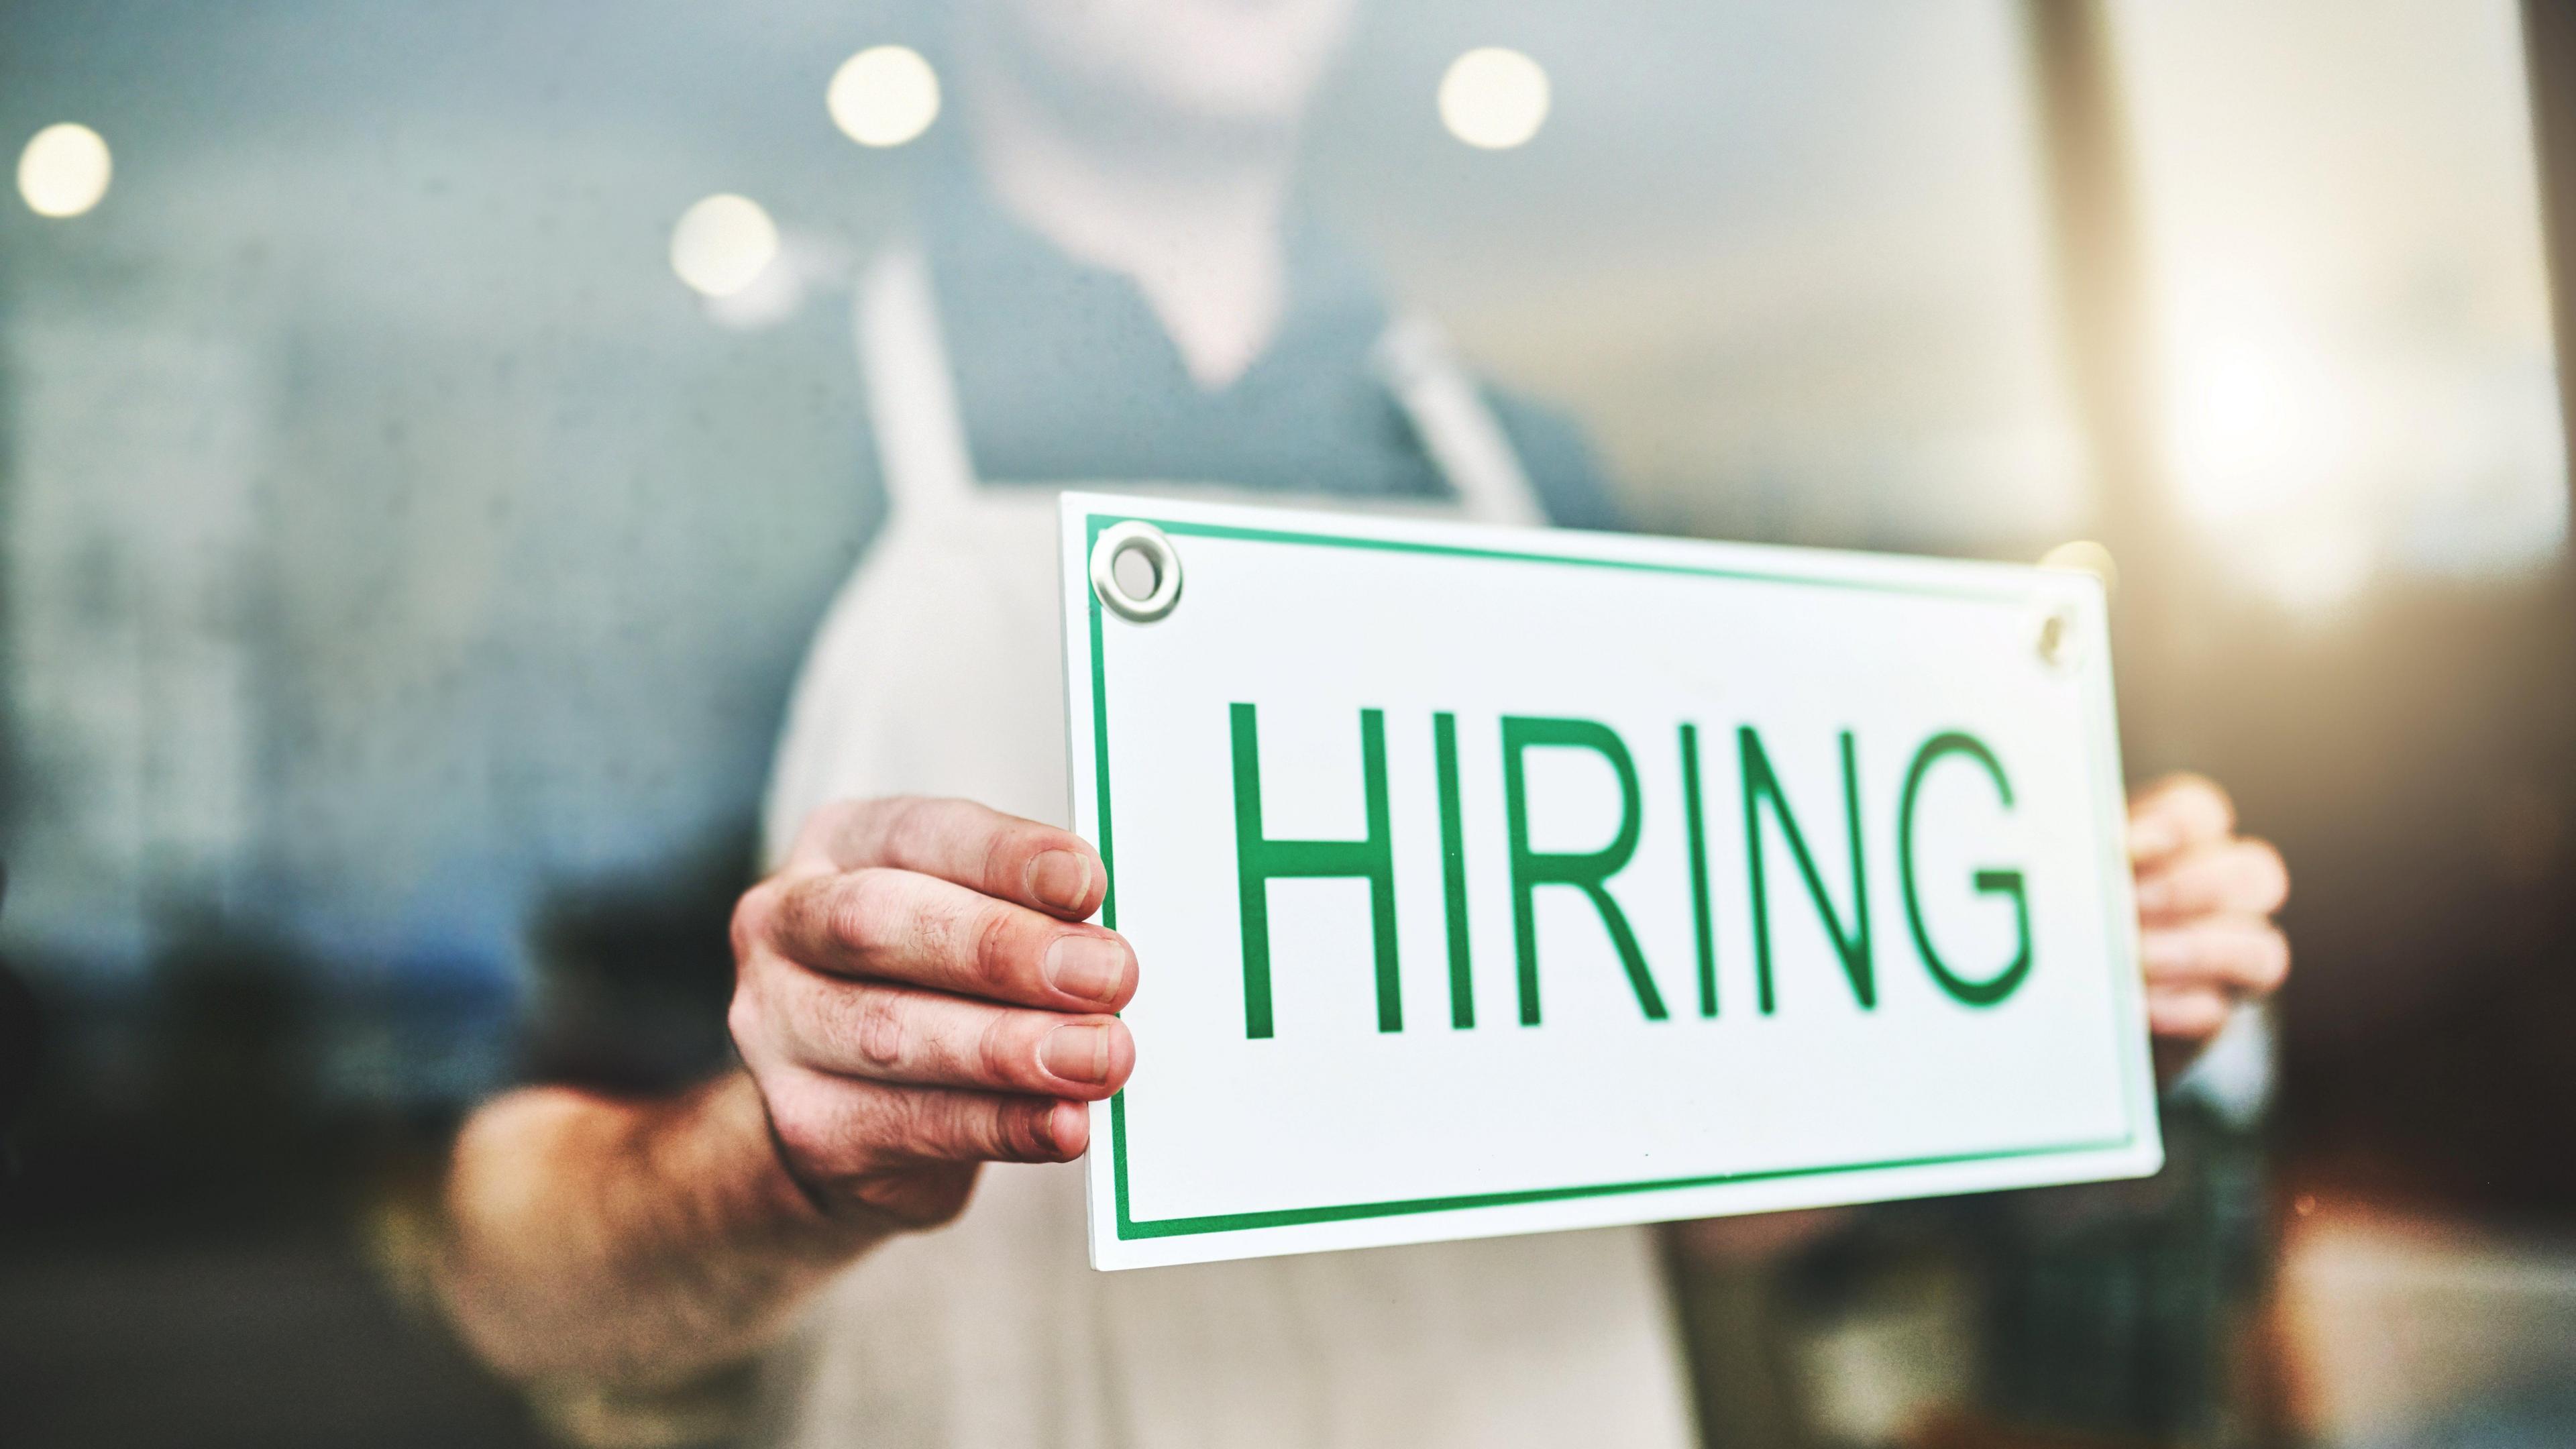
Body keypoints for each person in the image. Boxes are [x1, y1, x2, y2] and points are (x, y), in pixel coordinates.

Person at [432, 3, 2293, 1445]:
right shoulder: (733, 452)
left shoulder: (1526, 467)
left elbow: (1705, 1206)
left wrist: (2012, 1016)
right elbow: (511, 1268)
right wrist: (786, 1152)